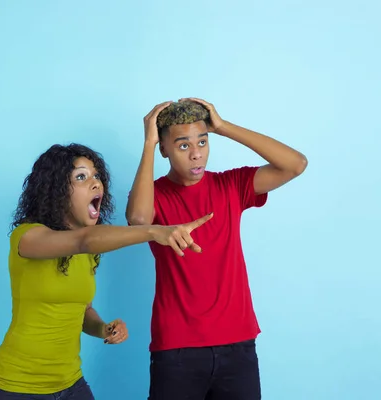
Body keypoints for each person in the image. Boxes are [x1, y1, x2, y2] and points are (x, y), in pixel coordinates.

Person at [0, 143, 213, 400]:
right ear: (55, 190)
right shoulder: (27, 237)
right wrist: (154, 230)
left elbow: (82, 311)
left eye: (96, 176)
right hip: (16, 387)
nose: (96, 183)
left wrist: (104, 328)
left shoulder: (89, 252)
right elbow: (84, 240)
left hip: (70, 383)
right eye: (81, 177)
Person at [126, 98, 308, 400]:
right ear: (165, 149)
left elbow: (295, 164)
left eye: (203, 141)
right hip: (177, 349)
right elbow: (138, 220)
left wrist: (223, 126)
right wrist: (148, 143)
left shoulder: (231, 185)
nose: (196, 154)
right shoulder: (153, 193)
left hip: (238, 345)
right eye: (183, 145)